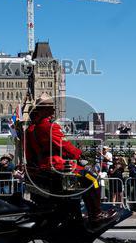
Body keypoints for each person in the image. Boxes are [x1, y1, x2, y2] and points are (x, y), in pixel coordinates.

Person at [23, 94, 116, 228]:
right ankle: (95, 215)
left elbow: (28, 153)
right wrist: (80, 155)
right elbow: (65, 146)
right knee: (93, 178)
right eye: (51, 108)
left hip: (41, 168)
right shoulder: (50, 127)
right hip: (56, 166)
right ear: (43, 110)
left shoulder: (30, 130)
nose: (53, 111)